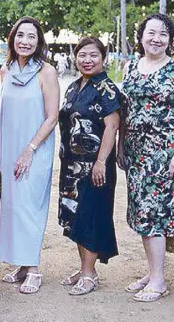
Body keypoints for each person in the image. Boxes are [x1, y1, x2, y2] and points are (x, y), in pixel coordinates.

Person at [118, 13, 174, 302]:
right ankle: (153, 271)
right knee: (142, 213)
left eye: (163, 34)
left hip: (164, 155)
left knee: (155, 215)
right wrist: (120, 147)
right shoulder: (130, 67)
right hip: (136, 154)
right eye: (151, 32)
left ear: (170, 40)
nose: (156, 38)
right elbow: (124, 111)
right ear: (141, 37)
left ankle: (158, 280)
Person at [0, 16, 59, 295]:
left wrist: (30, 150)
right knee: (12, 206)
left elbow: (52, 117)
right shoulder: (6, 69)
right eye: (20, 35)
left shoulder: (47, 72)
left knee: (30, 207)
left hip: (35, 149)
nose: (25, 41)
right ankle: (21, 265)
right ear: (13, 39)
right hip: (10, 148)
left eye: (31, 37)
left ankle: (34, 268)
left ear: (39, 41)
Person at [57, 37, 121, 296]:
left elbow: (112, 126)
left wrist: (101, 162)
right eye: (82, 55)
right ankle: (86, 268)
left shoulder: (107, 89)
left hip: (95, 166)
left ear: (103, 58)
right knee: (75, 217)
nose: (87, 60)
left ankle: (88, 273)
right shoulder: (73, 87)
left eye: (93, 55)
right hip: (71, 165)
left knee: (92, 217)